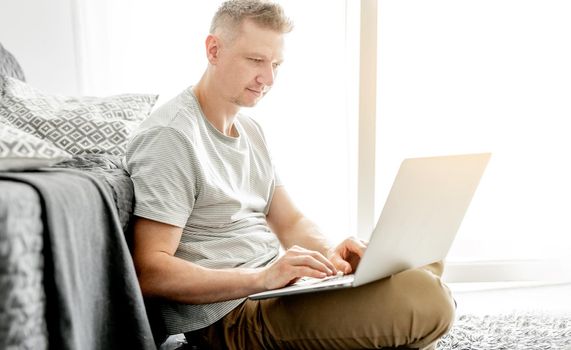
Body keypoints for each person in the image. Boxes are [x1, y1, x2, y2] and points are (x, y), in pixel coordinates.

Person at [124, 1, 455, 349]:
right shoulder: (171, 136)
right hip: (232, 318)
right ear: (214, 50)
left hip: (274, 291)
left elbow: (291, 221)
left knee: (420, 260)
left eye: (276, 64)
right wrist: (263, 278)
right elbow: (150, 271)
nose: (268, 78)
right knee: (426, 298)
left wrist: (331, 255)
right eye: (255, 60)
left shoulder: (250, 130)